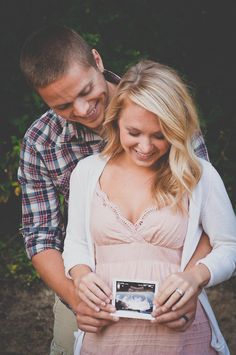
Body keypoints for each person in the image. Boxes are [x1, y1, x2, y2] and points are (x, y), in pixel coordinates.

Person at [18, 24, 211, 354]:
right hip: (85, 288)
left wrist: (189, 286)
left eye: (85, 91)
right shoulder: (40, 142)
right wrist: (76, 297)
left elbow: (206, 217)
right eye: (62, 106)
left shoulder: (164, 110)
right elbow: (41, 236)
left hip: (171, 287)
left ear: (97, 60)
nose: (81, 111)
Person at [63, 60, 236, 354]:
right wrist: (80, 277)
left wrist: (195, 277)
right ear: (116, 120)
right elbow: (76, 243)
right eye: (134, 132)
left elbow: (230, 245)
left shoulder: (199, 174)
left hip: (180, 337)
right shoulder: (86, 172)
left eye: (160, 135)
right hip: (106, 337)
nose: (145, 146)